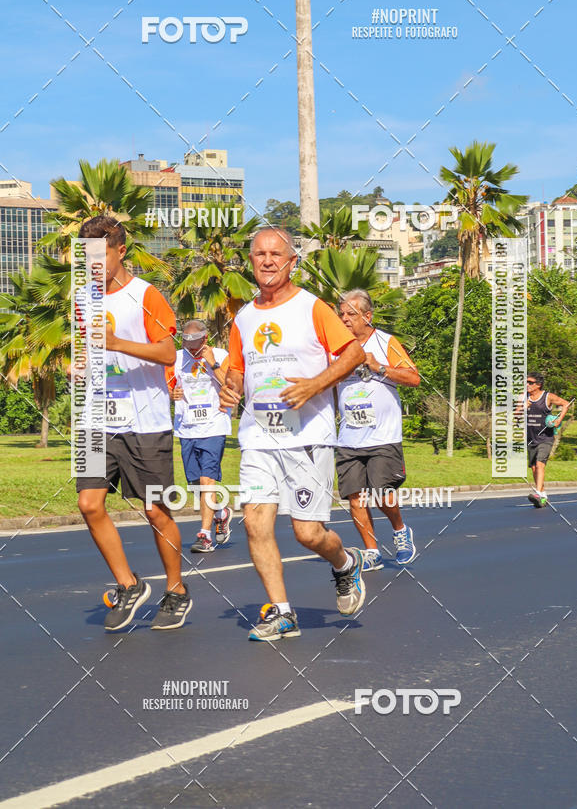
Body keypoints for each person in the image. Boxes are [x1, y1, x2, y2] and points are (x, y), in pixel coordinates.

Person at [219, 227, 367, 642]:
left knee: (308, 533)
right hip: (258, 438)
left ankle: (344, 563)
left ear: (291, 261)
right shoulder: (244, 317)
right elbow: (237, 370)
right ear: (250, 260)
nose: (267, 261)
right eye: (259, 254)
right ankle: (282, 612)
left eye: (275, 254)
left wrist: (315, 385)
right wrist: (230, 391)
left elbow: (355, 353)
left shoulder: (312, 308)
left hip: (308, 437)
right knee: (255, 524)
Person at [75, 215, 192, 631]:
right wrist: (82, 367)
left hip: (146, 420)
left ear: (120, 251)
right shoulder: (83, 299)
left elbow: (167, 354)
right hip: (97, 417)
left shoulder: (146, 296)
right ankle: (128, 583)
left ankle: (176, 590)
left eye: (99, 255)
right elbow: (92, 354)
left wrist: (118, 343)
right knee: (89, 504)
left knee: (156, 511)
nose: (92, 265)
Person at [335, 290, 420, 570]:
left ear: (367, 316)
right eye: (342, 314)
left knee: (383, 493)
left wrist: (379, 366)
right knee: (355, 497)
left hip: (383, 435)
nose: (344, 319)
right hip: (348, 436)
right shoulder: (335, 348)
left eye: (351, 314)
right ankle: (372, 551)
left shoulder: (386, 342)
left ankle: (399, 531)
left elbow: (413, 377)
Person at [168, 319, 233, 552]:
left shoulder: (220, 354)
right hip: (187, 427)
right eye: (187, 343)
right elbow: (167, 386)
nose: (191, 348)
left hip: (214, 426)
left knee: (207, 481)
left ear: (205, 339)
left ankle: (204, 535)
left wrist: (212, 363)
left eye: (195, 344)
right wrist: (172, 393)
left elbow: (231, 385)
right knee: (195, 484)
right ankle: (221, 512)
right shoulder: (177, 358)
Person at [525, 371, 570, 507]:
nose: (527, 385)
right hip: (531, 438)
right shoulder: (524, 398)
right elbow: (515, 417)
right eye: (526, 382)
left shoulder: (548, 397)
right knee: (534, 468)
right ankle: (543, 496)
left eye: (530, 382)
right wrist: (523, 408)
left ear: (538, 385)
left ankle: (537, 493)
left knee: (540, 464)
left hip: (546, 437)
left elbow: (565, 404)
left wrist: (558, 420)